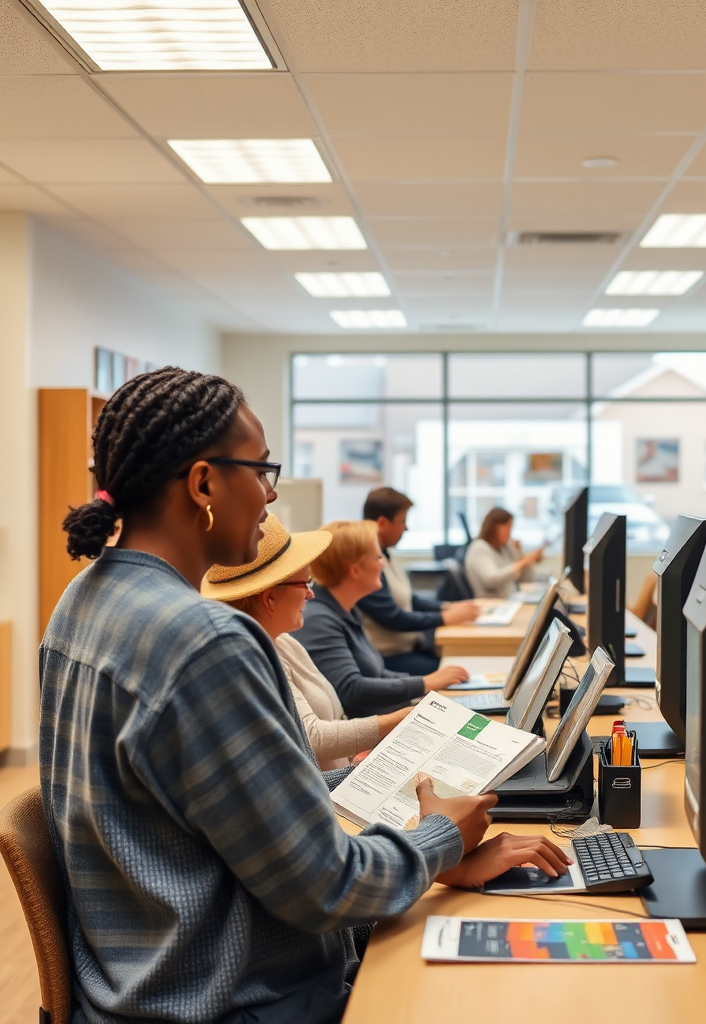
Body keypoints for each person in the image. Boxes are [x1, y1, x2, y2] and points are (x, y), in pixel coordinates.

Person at [42, 367, 570, 1024]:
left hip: (142, 980)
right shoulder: (205, 641)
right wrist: (443, 840)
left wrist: (421, 858)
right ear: (205, 482)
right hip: (230, 997)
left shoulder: (79, 603)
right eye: (262, 472)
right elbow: (325, 887)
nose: (269, 496)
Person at [203, 513, 413, 770]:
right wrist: (401, 718)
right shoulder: (254, 656)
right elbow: (311, 738)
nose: (311, 593)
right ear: (270, 599)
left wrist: (356, 753)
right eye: (306, 582)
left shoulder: (284, 641)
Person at [294, 520, 471, 718]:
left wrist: (425, 685)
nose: (383, 563)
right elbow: (352, 689)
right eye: (378, 557)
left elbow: (377, 673)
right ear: (355, 570)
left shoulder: (346, 609)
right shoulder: (319, 619)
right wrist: (424, 683)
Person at [357, 487, 478, 676]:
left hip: (408, 648)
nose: (406, 528)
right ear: (382, 523)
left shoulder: (388, 555)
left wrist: (445, 607)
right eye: (403, 521)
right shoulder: (367, 562)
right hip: (388, 658)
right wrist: (443, 618)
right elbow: (392, 617)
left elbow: (409, 599)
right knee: (459, 672)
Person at [464, 506, 544, 599]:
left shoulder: (502, 548)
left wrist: (521, 555)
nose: (510, 532)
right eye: (507, 527)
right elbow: (492, 580)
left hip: (508, 600)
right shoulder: (480, 547)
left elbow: (527, 579)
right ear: (494, 528)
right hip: (490, 603)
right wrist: (522, 563)